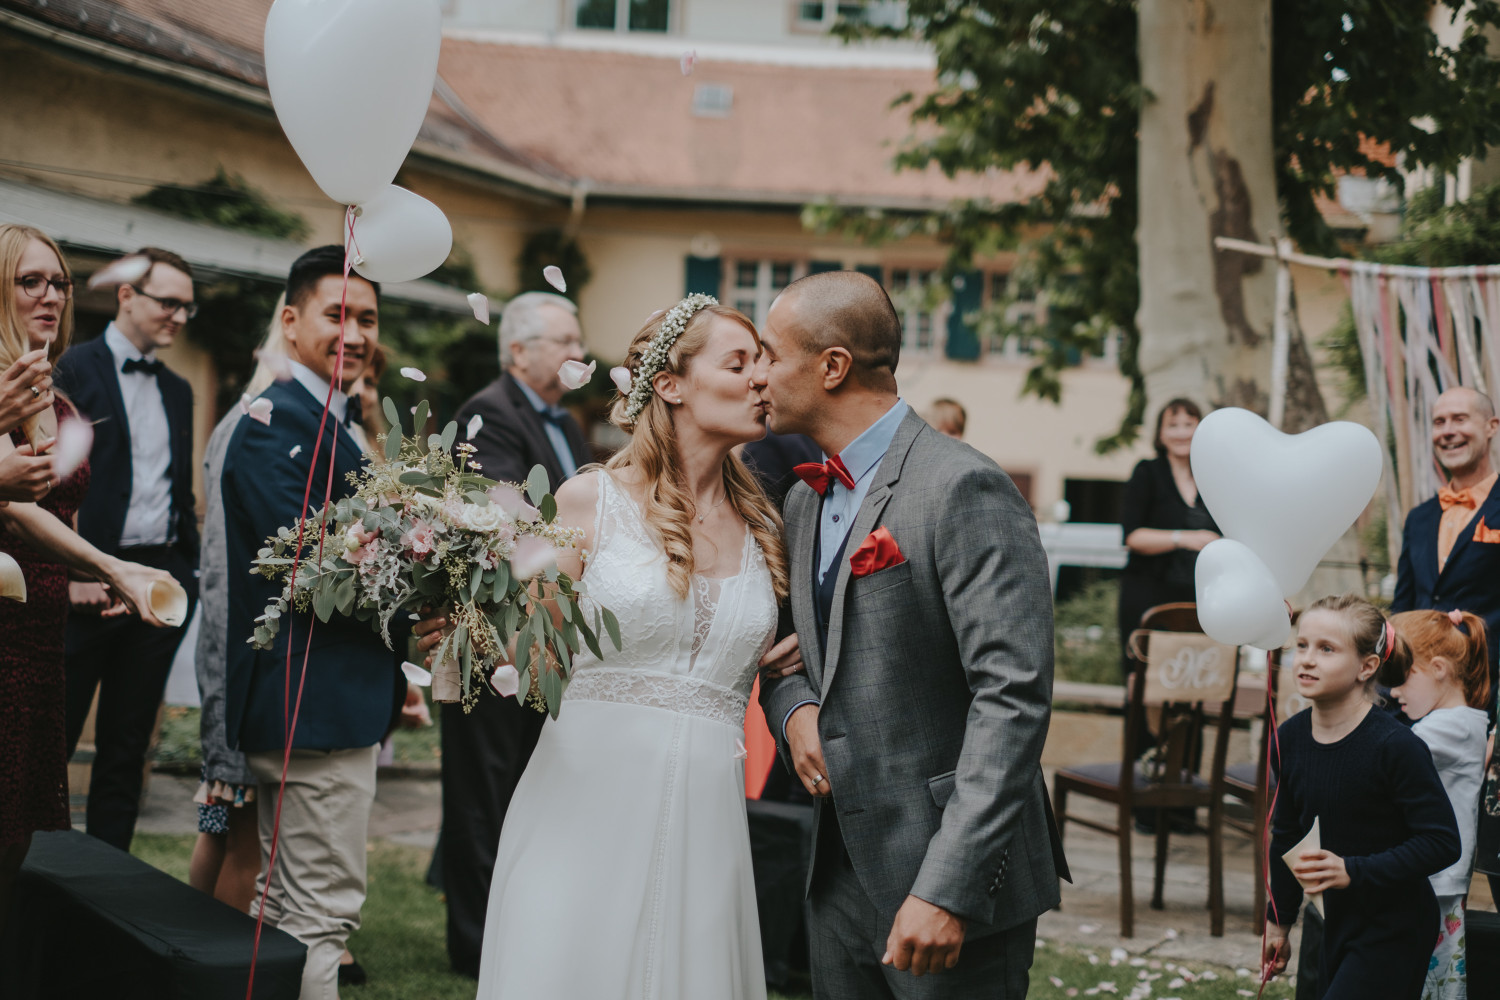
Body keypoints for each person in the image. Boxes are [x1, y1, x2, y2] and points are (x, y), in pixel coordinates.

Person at [472, 294, 802, 999]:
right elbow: (529, 667)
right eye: (738, 363)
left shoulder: (770, 526)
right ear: (670, 384)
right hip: (583, 810)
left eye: (763, 365)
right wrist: (469, 621)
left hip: (708, 826)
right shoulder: (587, 501)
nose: (760, 381)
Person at [754, 270, 1067, 999]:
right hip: (837, 873)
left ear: (831, 366)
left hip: (947, 873)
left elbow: (1013, 698)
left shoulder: (962, 487)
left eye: (770, 352)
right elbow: (786, 655)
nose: (757, 375)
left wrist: (948, 888)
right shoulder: (804, 500)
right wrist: (796, 711)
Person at [221, 246, 406, 1000]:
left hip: (324, 698)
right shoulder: (274, 423)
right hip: (310, 701)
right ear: (291, 321)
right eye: (338, 315)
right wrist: (424, 581)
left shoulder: (334, 419)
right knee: (322, 912)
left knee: (282, 905)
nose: (356, 333)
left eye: (367, 318)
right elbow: (310, 569)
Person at [0, 224, 176, 935]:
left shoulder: (60, 403)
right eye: (29, 280)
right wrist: (108, 563)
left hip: (43, 634)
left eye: (60, 282)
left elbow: (40, 514)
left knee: (19, 836)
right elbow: (14, 507)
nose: (49, 295)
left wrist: (107, 570)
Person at [443, 290, 593, 977]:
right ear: (518, 352)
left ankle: (522, 926)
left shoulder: (568, 423)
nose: (577, 354)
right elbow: (510, 523)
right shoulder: (488, 415)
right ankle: (476, 946)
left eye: (578, 342)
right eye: (563, 341)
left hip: (548, 635)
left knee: (530, 788)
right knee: (484, 792)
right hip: (496, 632)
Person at [56, 247, 200, 852]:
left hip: (159, 582)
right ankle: (33, 876)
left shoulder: (180, 390)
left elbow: (174, 486)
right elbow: (52, 481)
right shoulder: (70, 370)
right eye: (168, 302)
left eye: (187, 308)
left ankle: (106, 886)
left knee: (128, 745)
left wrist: (186, 573)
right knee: (50, 742)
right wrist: (76, 568)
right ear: (126, 296)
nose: (179, 317)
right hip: (83, 581)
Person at [1264, 594, 1461, 999]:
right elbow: (1284, 835)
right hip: (1333, 920)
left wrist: (1353, 869)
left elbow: (1442, 842)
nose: (1306, 659)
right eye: (1301, 645)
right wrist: (1279, 921)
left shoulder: (1395, 746)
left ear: (1367, 666)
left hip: (1395, 924)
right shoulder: (1289, 739)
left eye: (1326, 649)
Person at [188, 299, 288, 916]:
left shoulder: (236, 420)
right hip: (245, 655)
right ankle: (214, 965)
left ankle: (183, 958)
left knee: (217, 822)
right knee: (244, 847)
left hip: (232, 651)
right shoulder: (258, 425)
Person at [1387, 608, 1490, 1000]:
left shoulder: (1450, 727)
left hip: (1434, 881)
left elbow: (1389, 756)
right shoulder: (1457, 722)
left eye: (1401, 677)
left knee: (1428, 982)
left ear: (1438, 668)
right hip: (1434, 878)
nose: (1393, 691)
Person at [1393, 387, 1500, 717]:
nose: (1448, 431)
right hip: (1414, 698)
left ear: (1491, 427)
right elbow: (1403, 610)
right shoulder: (1419, 518)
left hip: (1485, 692)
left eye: (1460, 419)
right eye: (1439, 422)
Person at [1118, 399, 1220, 678]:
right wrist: (1184, 538)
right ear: (1160, 434)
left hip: (1198, 602)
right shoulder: (1147, 473)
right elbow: (1132, 536)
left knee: (1193, 685)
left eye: (1189, 424)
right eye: (1172, 425)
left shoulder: (1213, 478)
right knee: (1146, 684)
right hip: (1150, 599)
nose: (1181, 432)